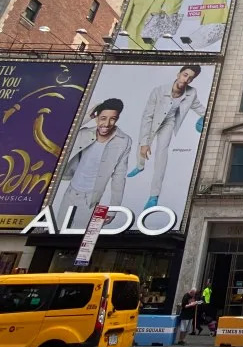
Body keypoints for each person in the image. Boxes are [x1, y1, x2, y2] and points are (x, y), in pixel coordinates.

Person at [127, 65, 206, 210]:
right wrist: (145, 142)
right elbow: (147, 116)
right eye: (185, 75)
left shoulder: (191, 93)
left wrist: (205, 118)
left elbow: (199, 108)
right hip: (153, 120)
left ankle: (153, 196)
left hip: (168, 123)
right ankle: (140, 166)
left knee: (161, 154)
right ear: (178, 74)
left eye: (190, 78)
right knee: (143, 146)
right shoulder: (159, 90)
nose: (186, 79)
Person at [58, 98, 132, 228]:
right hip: (70, 193)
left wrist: (114, 209)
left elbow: (119, 177)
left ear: (117, 118)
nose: (107, 123)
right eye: (103, 118)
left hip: (91, 200)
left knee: (80, 241)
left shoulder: (123, 141)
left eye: (112, 119)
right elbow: (62, 132)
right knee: (55, 234)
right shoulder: (83, 133)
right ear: (96, 117)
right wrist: (87, 117)